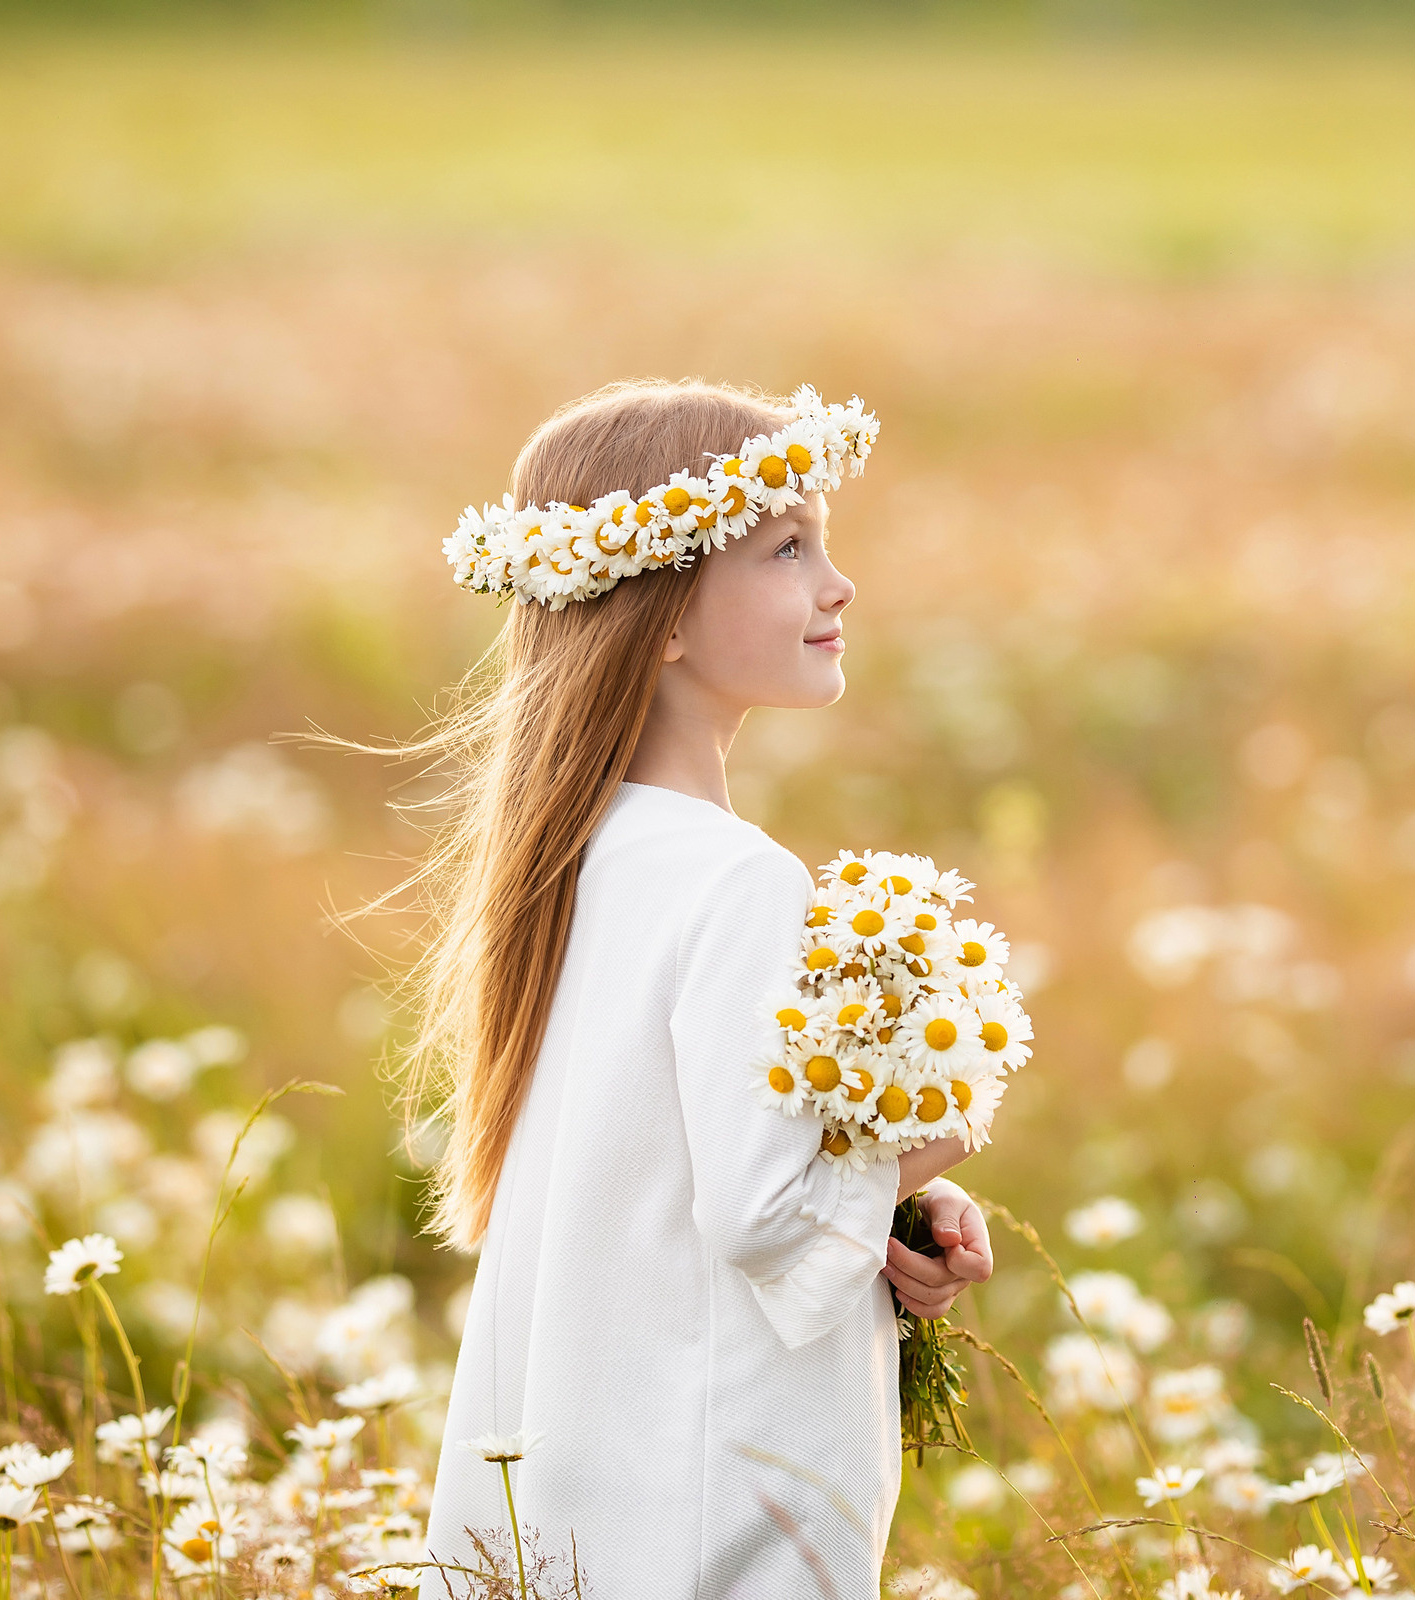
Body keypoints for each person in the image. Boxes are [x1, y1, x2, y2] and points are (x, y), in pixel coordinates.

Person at [399, 380, 993, 1598]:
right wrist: (920, 1149)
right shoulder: (738, 883)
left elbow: (681, 1173)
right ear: (662, 617)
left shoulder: (579, 855)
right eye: (787, 549)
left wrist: (884, 1223)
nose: (839, 584)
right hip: (714, 1494)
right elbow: (761, 1212)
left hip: (585, 1476)